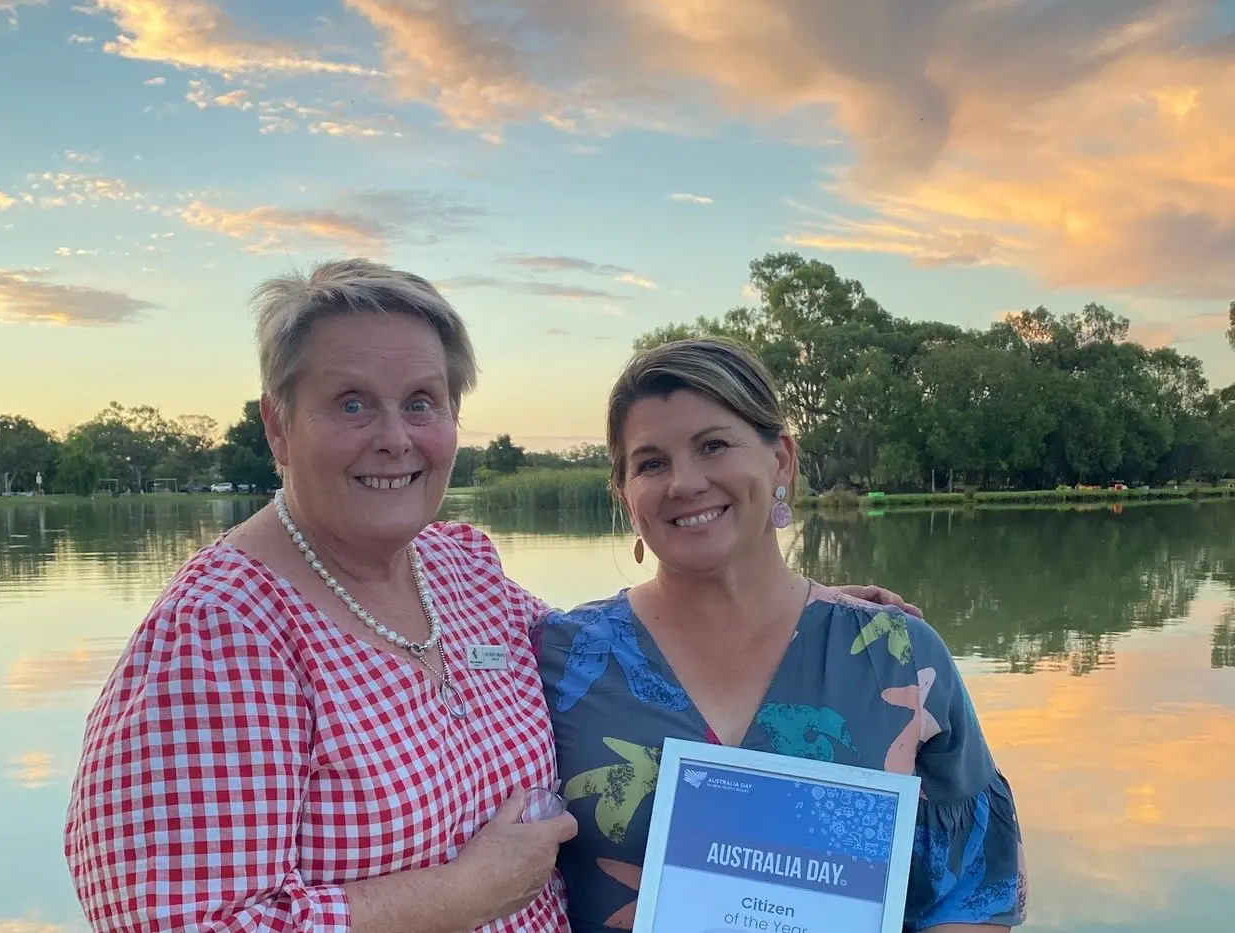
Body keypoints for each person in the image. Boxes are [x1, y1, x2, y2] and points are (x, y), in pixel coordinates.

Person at [63, 259, 915, 933]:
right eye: (351, 402)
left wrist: (777, 607)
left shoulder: (457, 568)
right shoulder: (222, 632)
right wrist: (459, 893)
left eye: (422, 402)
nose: (394, 437)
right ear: (279, 424)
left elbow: (605, 652)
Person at [538, 336, 1027, 933]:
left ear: (782, 462)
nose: (684, 483)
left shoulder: (897, 658)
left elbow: (971, 895)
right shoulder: (559, 663)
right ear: (625, 493)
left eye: (713, 445)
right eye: (651, 463)